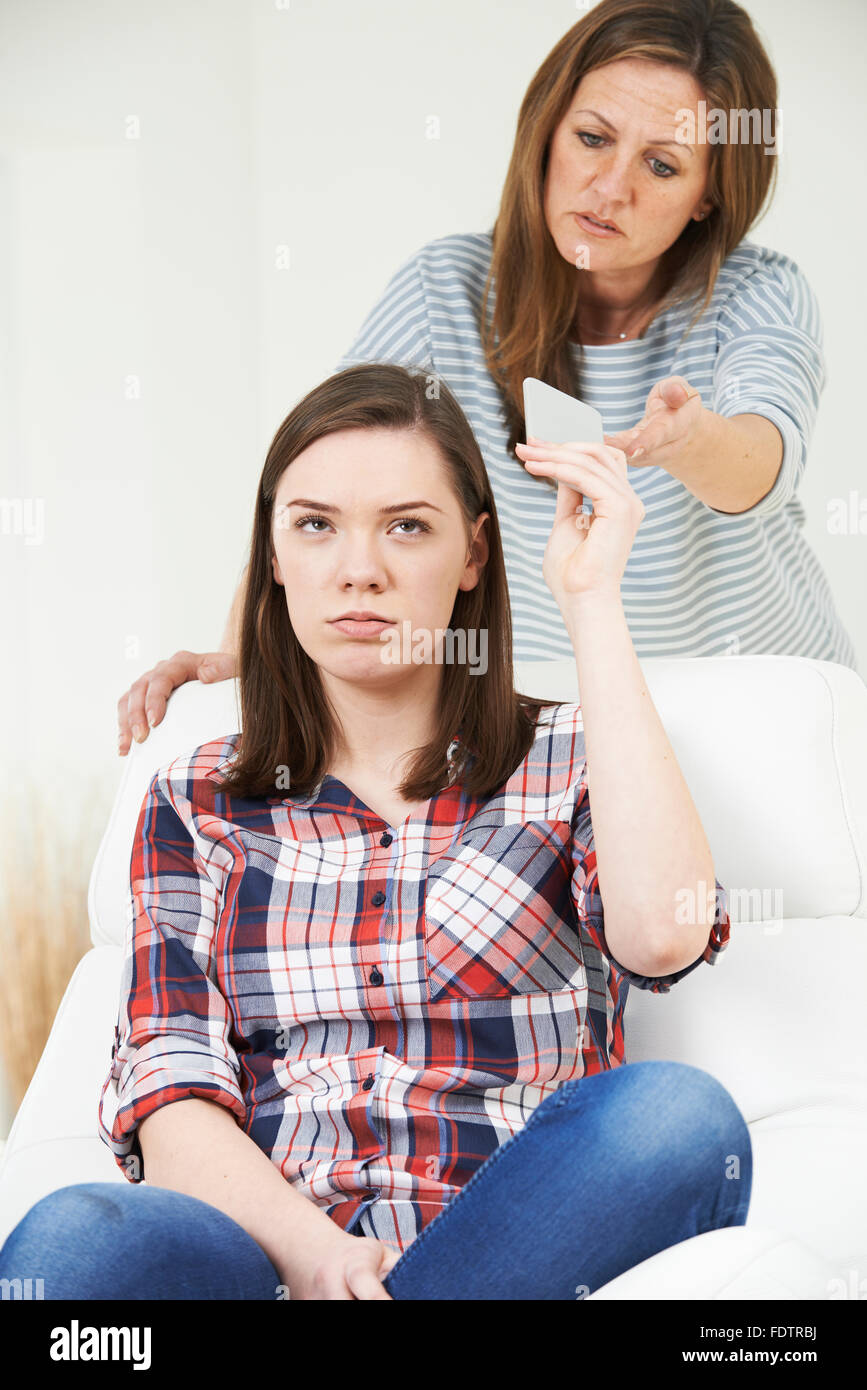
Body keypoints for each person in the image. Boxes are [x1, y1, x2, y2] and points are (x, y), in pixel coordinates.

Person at [0, 364, 751, 1300]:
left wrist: (590, 596)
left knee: (675, 1119)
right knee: (78, 1239)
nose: (360, 569)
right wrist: (317, 1257)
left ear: (473, 555)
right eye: (315, 525)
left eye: (408, 526)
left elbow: (663, 936)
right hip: (271, 1256)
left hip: (511, 1245)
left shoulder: (575, 755)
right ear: (273, 555)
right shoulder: (196, 795)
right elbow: (172, 1091)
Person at [117, 0, 857, 756]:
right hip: (544, 704)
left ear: (708, 193)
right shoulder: (446, 287)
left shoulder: (758, 291)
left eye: (660, 164)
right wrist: (249, 658)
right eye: (591, 139)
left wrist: (692, 439)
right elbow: (331, 477)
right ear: (545, 129)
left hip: (758, 702)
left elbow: (759, 464)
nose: (608, 189)